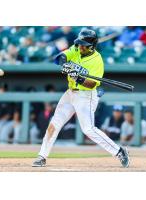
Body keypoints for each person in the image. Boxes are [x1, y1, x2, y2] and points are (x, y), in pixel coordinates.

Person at [32, 28, 130, 168]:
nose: (81, 46)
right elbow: (60, 57)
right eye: (80, 43)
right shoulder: (76, 48)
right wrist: (64, 63)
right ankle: (42, 156)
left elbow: (91, 84)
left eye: (84, 45)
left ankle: (119, 151)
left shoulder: (97, 60)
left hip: (86, 95)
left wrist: (76, 76)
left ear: (92, 46)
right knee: (54, 123)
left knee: (88, 129)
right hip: (70, 93)